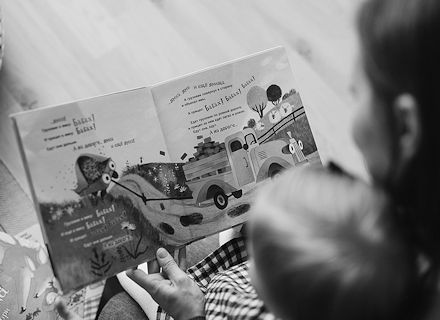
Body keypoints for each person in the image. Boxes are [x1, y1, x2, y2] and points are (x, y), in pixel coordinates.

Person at [59, 0, 440, 318]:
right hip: (255, 280)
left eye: (358, 94)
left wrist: (194, 314)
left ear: (405, 125)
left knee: (118, 305)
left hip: (225, 303)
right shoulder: (401, 243)